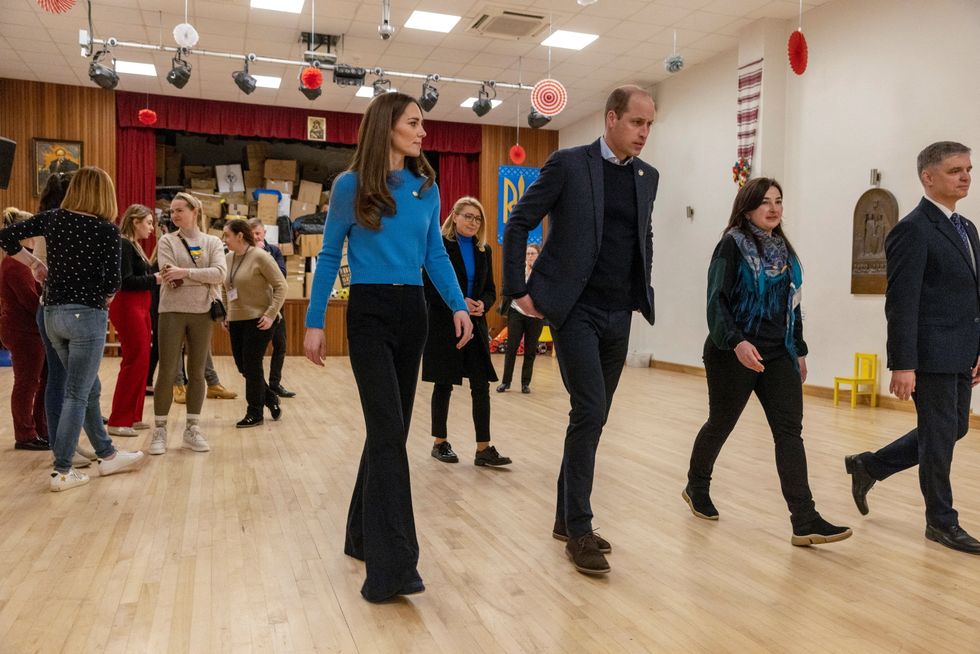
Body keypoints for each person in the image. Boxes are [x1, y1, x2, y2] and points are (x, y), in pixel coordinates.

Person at [303, 91, 473, 603]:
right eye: (414, 123)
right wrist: (313, 323)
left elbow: (434, 255)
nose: (424, 133)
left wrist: (458, 304)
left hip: (414, 313)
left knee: (390, 431)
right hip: (369, 314)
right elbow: (330, 253)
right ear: (387, 127)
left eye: (423, 124)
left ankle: (359, 534)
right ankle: (393, 567)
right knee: (386, 434)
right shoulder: (350, 186)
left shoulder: (427, 189)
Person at [501, 85, 657, 575]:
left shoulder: (647, 177)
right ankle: (581, 527)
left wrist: (641, 287)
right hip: (574, 311)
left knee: (595, 416)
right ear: (611, 118)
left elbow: (641, 234)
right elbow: (519, 221)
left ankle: (564, 519)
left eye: (650, 125)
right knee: (588, 409)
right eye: (637, 123)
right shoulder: (569, 164)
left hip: (619, 312)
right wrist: (517, 289)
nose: (644, 133)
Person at [682, 178, 851, 546]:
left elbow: (793, 304)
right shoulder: (731, 245)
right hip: (733, 353)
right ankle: (697, 486)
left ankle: (804, 519)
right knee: (722, 422)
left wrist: (800, 350)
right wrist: (738, 342)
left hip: (778, 353)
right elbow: (717, 301)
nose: (773, 208)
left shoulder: (784, 251)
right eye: (765, 202)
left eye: (778, 201)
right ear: (747, 208)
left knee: (789, 433)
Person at [845, 141, 980, 554]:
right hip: (931, 354)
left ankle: (870, 464)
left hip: (962, 350)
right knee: (939, 438)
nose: (966, 176)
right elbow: (901, 303)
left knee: (952, 428)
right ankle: (941, 522)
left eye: (968, 169)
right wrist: (903, 363)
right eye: (956, 170)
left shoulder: (967, 228)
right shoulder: (912, 229)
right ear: (928, 176)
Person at [0, 166, 144, 491]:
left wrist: (34, 263)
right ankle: (62, 470)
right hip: (87, 318)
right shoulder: (107, 231)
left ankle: (107, 454)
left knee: (87, 388)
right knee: (77, 393)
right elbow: (112, 283)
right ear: (104, 194)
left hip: (51, 315)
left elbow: (5, 237)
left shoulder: (52, 219)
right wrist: (104, 296)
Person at [423, 196, 511, 467]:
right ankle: (440, 442)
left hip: (476, 323)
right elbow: (430, 285)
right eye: (468, 216)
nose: (473, 222)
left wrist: (483, 304)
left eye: (478, 218)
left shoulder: (483, 249)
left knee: (481, 384)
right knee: (444, 382)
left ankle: (483, 448)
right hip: (444, 322)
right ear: (455, 215)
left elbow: (491, 289)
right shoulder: (439, 245)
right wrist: (459, 303)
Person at [150, 192, 227, 456]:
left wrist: (187, 273)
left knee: (197, 372)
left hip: (203, 312)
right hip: (171, 311)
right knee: (168, 371)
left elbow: (220, 274)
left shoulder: (213, 241)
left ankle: (192, 429)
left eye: (180, 210)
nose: (174, 215)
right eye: (172, 211)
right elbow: (169, 276)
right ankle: (159, 430)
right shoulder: (166, 241)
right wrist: (196, 276)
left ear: (195, 211)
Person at [222, 219, 287, 427]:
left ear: (240, 236)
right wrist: (226, 313)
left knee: (252, 364)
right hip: (236, 319)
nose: (225, 240)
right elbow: (225, 287)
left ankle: (255, 412)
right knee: (244, 367)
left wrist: (270, 314)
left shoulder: (261, 256)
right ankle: (270, 398)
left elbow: (281, 286)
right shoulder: (229, 258)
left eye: (227, 236)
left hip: (260, 319)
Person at [106, 204, 158, 437]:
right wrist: (154, 279)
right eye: (148, 222)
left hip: (140, 306)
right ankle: (119, 419)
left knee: (142, 360)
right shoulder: (123, 243)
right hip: (128, 306)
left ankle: (133, 416)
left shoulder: (133, 245)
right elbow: (125, 281)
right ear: (135, 222)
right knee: (134, 360)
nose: (151, 228)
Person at [0, 207, 48, 451]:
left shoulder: (25, 261)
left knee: (38, 381)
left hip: (30, 330)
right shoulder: (15, 264)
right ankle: (25, 434)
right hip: (23, 331)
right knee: (27, 382)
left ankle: (41, 427)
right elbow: (30, 300)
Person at [250, 217, 295, 398]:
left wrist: (264, 256)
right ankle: (259, 386)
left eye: (258, 233)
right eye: (251, 234)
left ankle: (275, 384)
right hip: (254, 307)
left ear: (264, 233)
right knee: (256, 351)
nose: (255, 237)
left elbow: (281, 275)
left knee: (280, 345)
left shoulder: (274, 251)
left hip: (275, 307)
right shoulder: (244, 253)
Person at [497, 243, 545, 394]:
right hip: (516, 312)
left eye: (533, 254)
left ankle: (525, 383)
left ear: (538, 256)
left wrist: (534, 272)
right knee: (511, 348)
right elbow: (509, 286)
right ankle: (506, 382)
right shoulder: (518, 270)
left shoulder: (543, 273)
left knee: (530, 350)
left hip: (535, 315)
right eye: (528, 254)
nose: (530, 256)